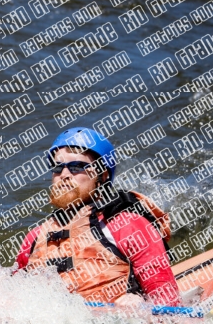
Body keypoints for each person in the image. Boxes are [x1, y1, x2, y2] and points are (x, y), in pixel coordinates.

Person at [14, 127, 181, 307]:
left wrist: (141, 308)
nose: (64, 175)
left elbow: (167, 304)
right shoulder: (35, 238)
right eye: (57, 167)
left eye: (77, 167)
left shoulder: (127, 225)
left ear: (103, 175)